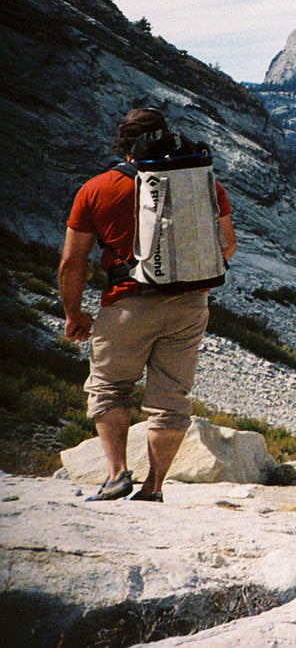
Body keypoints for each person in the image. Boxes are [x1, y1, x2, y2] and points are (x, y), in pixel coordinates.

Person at [58, 107, 236, 502]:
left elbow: (72, 262)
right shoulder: (201, 181)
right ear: (165, 137)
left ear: (122, 144)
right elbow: (227, 244)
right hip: (190, 304)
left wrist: (74, 313)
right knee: (171, 399)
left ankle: (118, 473)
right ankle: (153, 488)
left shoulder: (97, 189)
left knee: (108, 388)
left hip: (127, 304)